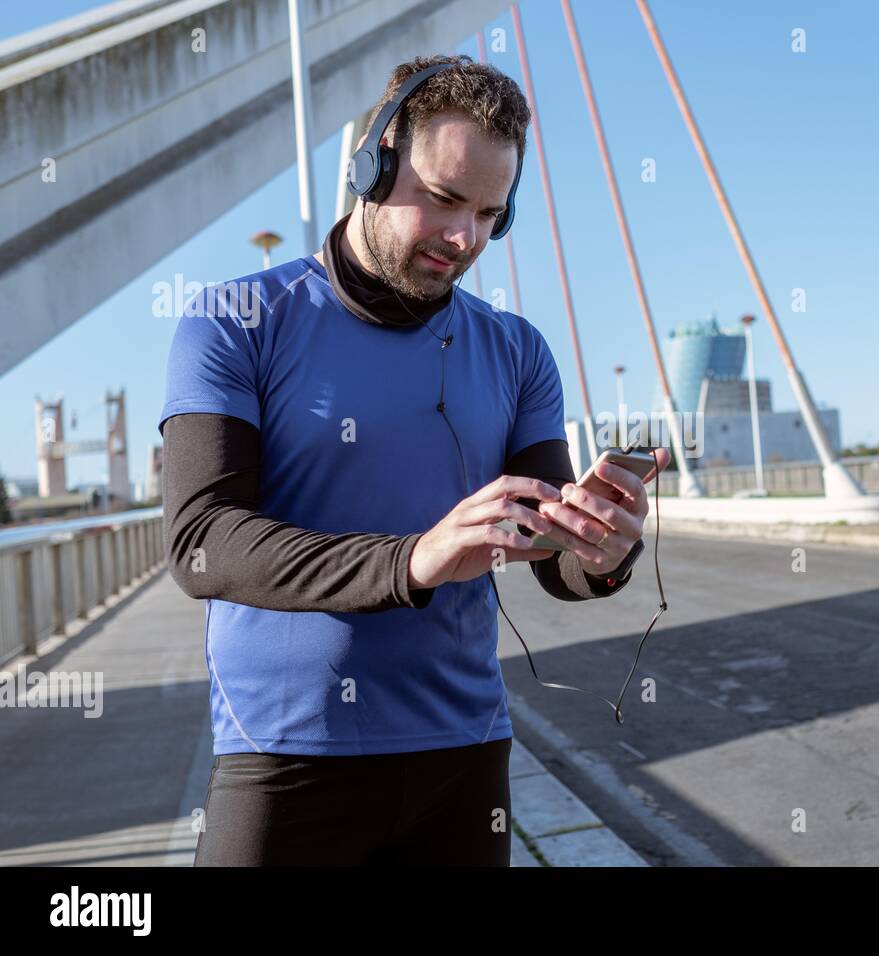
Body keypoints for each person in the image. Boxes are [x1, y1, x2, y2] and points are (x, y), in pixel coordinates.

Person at [159, 53, 670, 866]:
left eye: (488, 213)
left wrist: (603, 550)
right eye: (441, 199)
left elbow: (549, 556)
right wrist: (415, 560)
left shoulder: (517, 349)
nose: (464, 237)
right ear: (373, 163)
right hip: (283, 755)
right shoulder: (234, 321)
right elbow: (202, 542)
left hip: (462, 756)